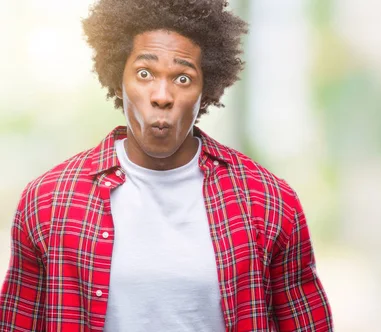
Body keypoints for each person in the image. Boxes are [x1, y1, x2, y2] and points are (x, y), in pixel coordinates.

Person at [0, 0, 333, 330]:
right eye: (144, 73)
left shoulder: (268, 202)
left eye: (183, 78)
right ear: (119, 79)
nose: (162, 95)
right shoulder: (49, 201)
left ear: (207, 90)